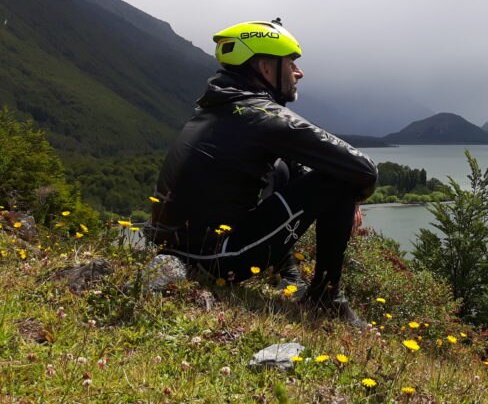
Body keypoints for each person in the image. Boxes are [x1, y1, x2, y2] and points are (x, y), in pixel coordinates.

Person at [145, 18, 377, 324]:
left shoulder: (219, 105)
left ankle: (290, 276)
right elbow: (364, 169)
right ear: (266, 67)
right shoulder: (262, 116)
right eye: (291, 62)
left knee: (286, 165)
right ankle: (326, 298)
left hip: (178, 246)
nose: (299, 72)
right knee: (338, 179)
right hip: (217, 258)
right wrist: (349, 197)